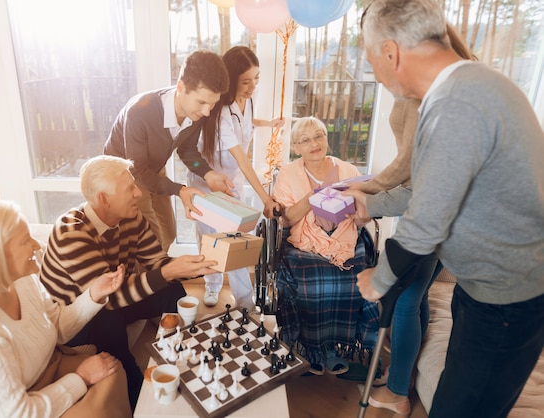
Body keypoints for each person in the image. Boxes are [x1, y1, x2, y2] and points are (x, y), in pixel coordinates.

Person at [358, 1, 544, 417]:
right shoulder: (472, 84)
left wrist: (379, 278)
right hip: (483, 290)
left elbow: (423, 227)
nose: (375, 72)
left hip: (505, 303)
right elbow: (435, 192)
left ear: (391, 52)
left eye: (371, 59)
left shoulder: (455, 105)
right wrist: (369, 201)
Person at [344, 23, 476, 415]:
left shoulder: (432, 100)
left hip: (436, 224)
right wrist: (372, 191)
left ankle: (399, 391)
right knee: (414, 297)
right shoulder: (444, 90)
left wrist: (371, 198)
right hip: (436, 222)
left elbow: (417, 178)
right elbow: (413, 169)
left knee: (402, 301)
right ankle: (402, 379)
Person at [0, 200, 131, 418]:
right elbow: (12, 414)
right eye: (24, 240)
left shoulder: (20, 279)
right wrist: (80, 378)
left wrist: (93, 295)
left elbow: (54, 327)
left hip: (37, 375)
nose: (37, 245)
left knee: (111, 372)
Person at [40, 155, 218, 412]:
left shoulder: (131, 218)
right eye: (130, 189)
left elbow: (157, 262)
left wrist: (199, 264)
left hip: (115, 298)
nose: (138, 193)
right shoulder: (71, 232)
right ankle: (137, 400)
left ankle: (189, 356)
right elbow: (108, 299)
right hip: (76, 320)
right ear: (104, 199)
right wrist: (168, 272)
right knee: (108, 319)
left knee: (172, 291)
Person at [271, 116, 380, 376]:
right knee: (311, 278)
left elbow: (363, 213)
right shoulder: (288, 173)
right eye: (306, 140)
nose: (314, 143)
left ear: (326, 139)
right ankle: (310, 348)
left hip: (344, 237)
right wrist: (313, 197)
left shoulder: (349, 170)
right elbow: (285, 220)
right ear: (296, 146)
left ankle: (334, 348)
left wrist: (361, 214)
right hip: (304, 240)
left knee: (355, 276)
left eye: (318, 136)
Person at [104, 49, 233, 253]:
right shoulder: (140, 112)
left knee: (168, 233)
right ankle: (148, 279)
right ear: (181, 87)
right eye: (202, 102)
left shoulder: (197, 112)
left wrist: (208, 174)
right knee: (148, 241)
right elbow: (137, 170)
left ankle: (155, 272)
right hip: (126, 177)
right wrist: (180, 190)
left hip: (152, 171)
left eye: (213, 103)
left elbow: (187, 149)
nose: (207, 111)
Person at [187, 45, 284, 309]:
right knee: (211, 242)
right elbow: (243, 159)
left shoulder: (247, 99)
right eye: (245, 81)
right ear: (231, 80)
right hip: (206, 185)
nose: (252, 86)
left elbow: (247, 122)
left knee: (236, 242)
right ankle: (213, 286)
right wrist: (265, 199)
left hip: (231, 183)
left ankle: (244, 302)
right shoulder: (219, 113)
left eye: (257, 78)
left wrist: (268, 123)